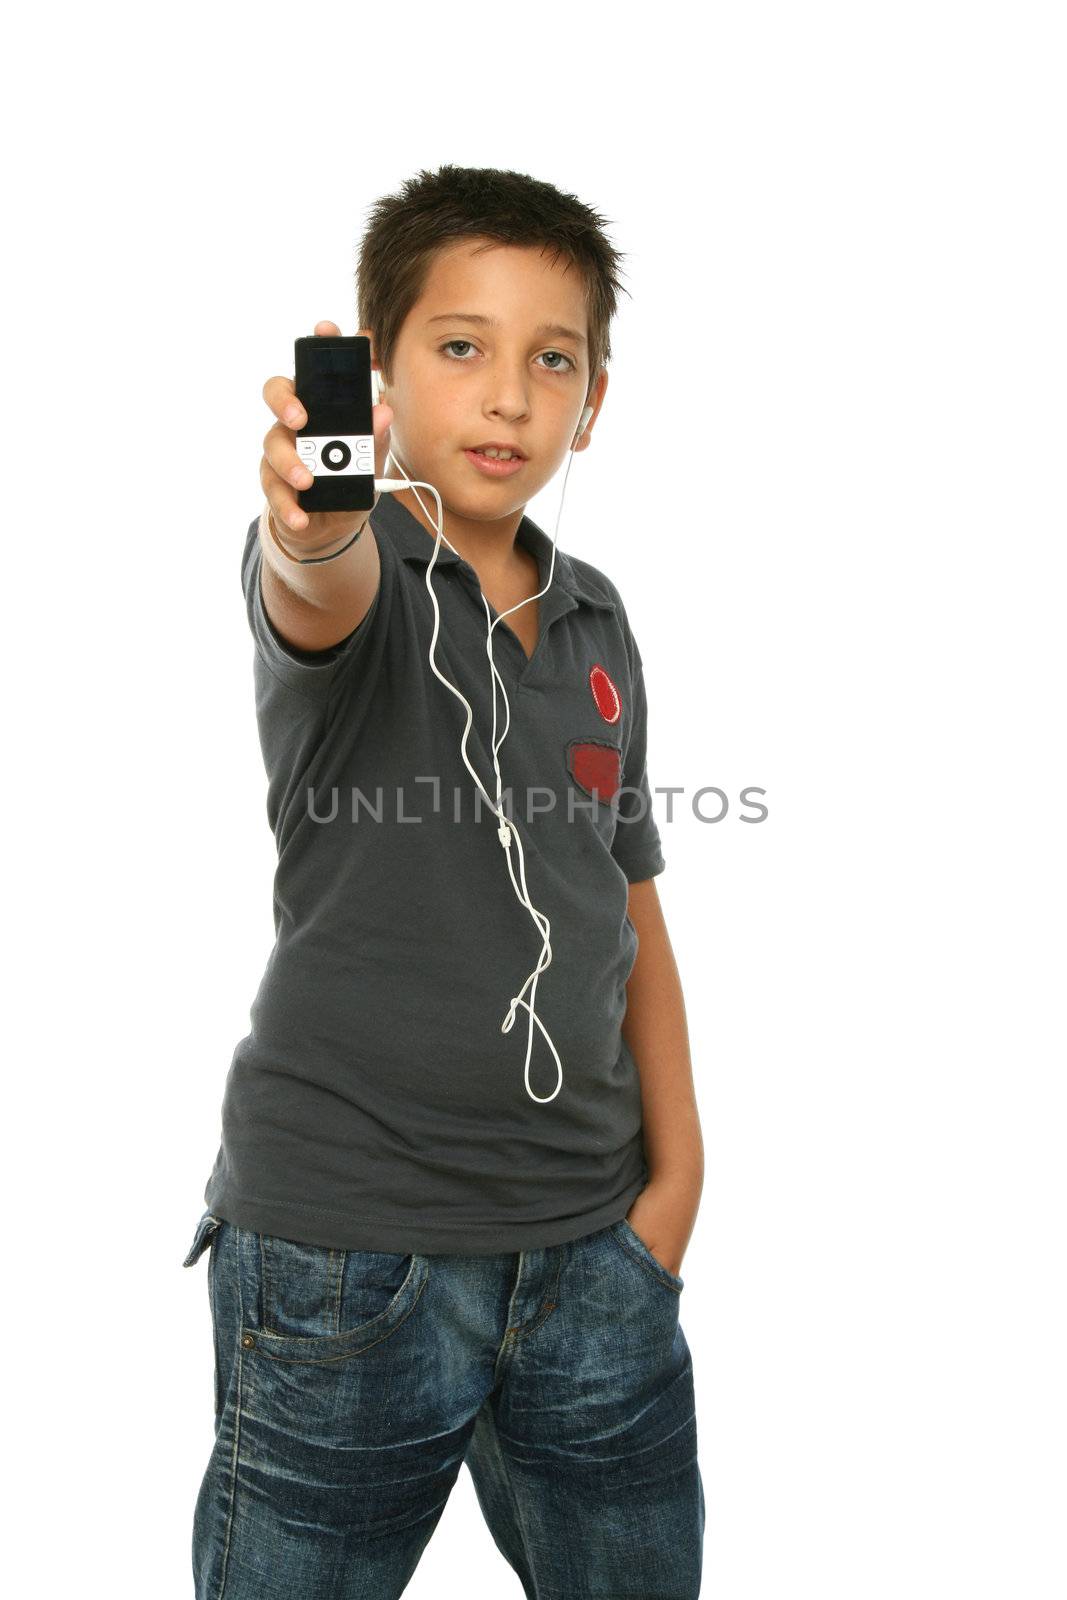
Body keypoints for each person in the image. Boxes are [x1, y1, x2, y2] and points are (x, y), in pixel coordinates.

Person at [182, 163, 706, 1598]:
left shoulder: (599, 617)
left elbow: (631, 899)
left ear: (595, 400)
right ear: (384, 377)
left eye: (554, 360)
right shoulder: (363, 575)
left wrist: (675, 1188)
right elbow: (313, 579)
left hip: (595, 1259)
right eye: (459, 348)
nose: (509, 397)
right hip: (351, 1263)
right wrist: (307, 521)